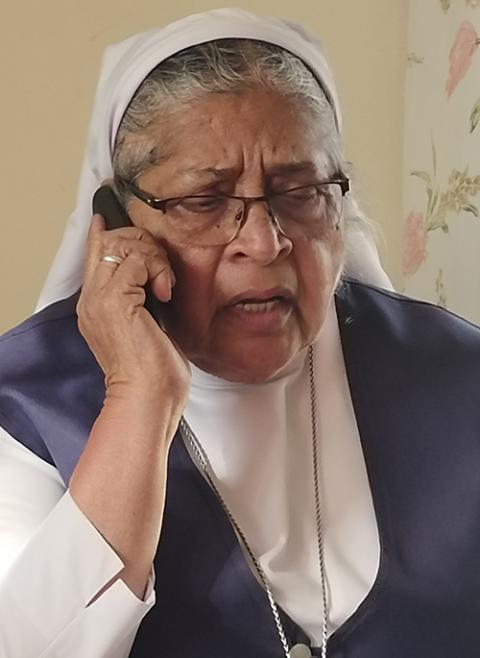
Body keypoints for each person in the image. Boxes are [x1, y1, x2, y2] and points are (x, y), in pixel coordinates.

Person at [1, 8, 479, 658]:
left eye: (301, 192)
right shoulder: (27, 404)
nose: (264, 242)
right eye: (205, 202)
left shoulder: (457, 376)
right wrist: (139, 397)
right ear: (116, 221)